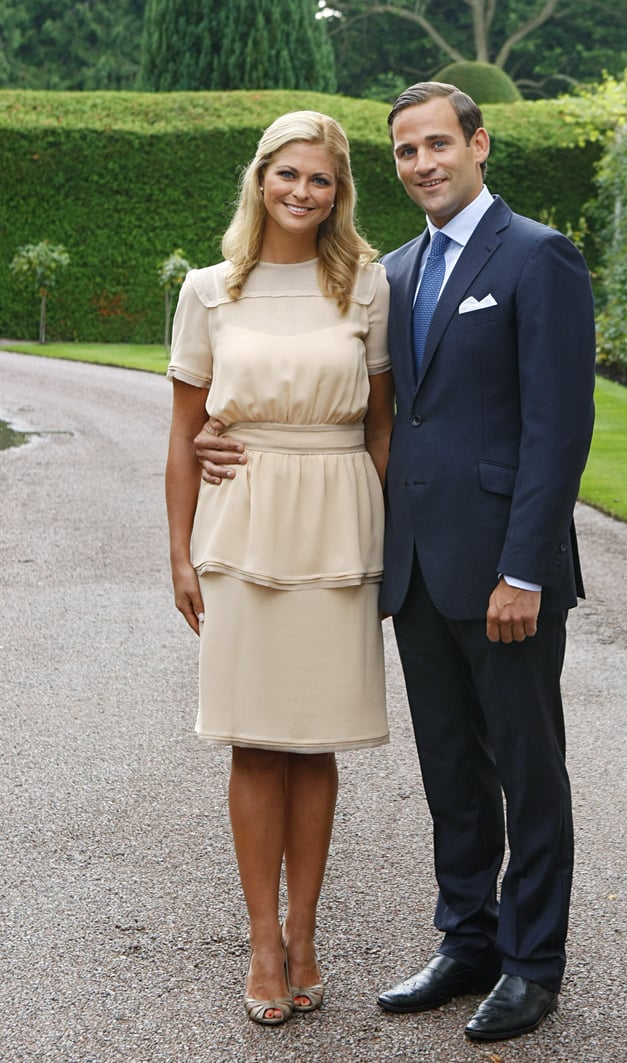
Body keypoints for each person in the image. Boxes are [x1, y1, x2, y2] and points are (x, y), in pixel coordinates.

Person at [194, 82, 596, 1044]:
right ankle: (467, 937)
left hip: (506, 572)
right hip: (411, 565)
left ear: (479, 144)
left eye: (437, 145)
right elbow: (373, 413)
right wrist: (226, 434)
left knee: (528, 766)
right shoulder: (394, 273)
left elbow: (558, 428)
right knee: (451, 770)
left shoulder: (540, 256)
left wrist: (527, 569)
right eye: (406, 151)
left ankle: (532, 963)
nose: (423, 163)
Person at [164, 110, 394, 1028]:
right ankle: (263, 939)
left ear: (339, 194)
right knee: (255, 737)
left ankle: (307, 932)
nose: (303, 191)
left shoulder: (368, 286)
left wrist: (364, 516)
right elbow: (183, 437)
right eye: (288, 174)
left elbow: (381, 423)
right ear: (260, 178)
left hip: (337, 525)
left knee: (315, 737)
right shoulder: (210, 289)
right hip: (242, 522)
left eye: (322, 180)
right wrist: (179, 552)